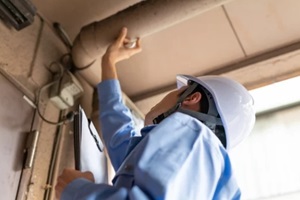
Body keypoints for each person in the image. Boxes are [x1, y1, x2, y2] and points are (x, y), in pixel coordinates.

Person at [55, 27, 255, 200]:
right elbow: (118, 131)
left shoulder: (195, 137)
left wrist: (79, 191)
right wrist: (109, 61)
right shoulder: (192, 162)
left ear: (190, 98)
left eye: (177, 90)